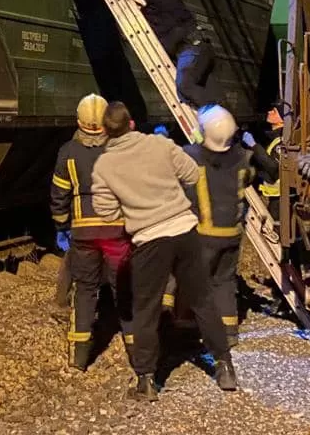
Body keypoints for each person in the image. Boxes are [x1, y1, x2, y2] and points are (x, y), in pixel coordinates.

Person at [91, 101, 238, 400]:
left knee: (146, 309)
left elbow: (104, 211)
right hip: (184, 231)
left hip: (149, 240)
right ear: (132, 123)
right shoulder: (160, 144)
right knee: (202, 300)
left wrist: (131, 206)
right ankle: (224, 367)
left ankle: (146, 381)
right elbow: (191, 174)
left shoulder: (104, 166)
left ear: (105, 131)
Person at [50, 93, 134, 371]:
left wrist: (62, 226)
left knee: (85, 289)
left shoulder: (68, 152)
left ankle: (78, 358)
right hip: (116, 231)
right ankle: (137, 353)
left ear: (79, 121)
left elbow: (59, 195)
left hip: (84, 232)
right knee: (124, 288)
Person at [102, 0, 219, 108]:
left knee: (185, 86)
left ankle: (215, 119)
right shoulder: (166, 3)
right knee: (194, 93)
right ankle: (212, 115)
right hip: (197, 49)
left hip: (192, 48)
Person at [183, 104, 249, 349]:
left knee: (198, 282)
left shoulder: (192, 155)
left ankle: (192, 328)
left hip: (204, 234)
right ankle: (229, 330)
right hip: (233, 232)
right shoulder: (241, 157)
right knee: (225, 281)